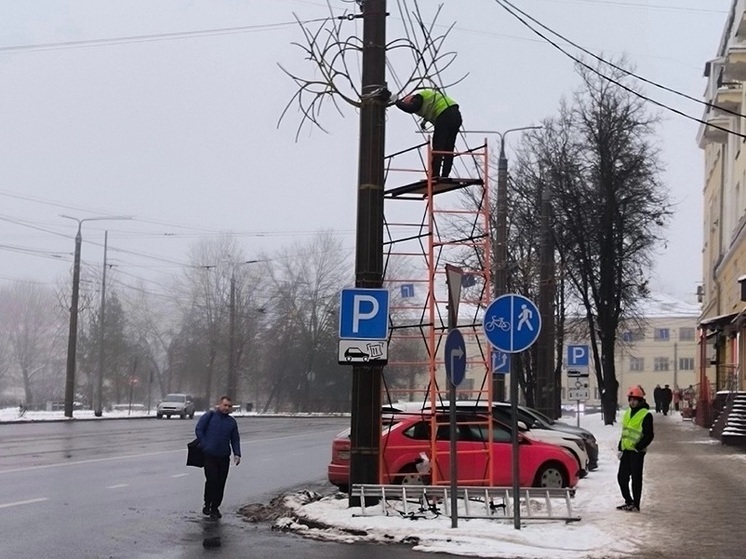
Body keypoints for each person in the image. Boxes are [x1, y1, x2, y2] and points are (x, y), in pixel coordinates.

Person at [386, 88, 462, 179]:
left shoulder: (418, 98)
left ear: (411, 99)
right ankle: (445, 174)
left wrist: (397, 102)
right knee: (448, 148)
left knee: (438, 147)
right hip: (456, 115)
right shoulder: (425, 98)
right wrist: (424, 121)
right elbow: (430, 106)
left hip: (444, 115)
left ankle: (435, 175)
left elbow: (411, 108)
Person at [195, 395, 241, 519]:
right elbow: (199, 429)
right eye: (224, 405)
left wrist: (237, 453)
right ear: (219, 405)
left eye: (229, 406)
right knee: (212, 480)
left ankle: (215, 507)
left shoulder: (231, 422)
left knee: (221, 483)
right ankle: (207, 504)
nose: (226, 408)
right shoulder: (209, 417)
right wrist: (205, 444)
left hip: (224, 457)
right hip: (210, 455)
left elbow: (235, 438)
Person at [616, 386, 654, 513]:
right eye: (630, 399)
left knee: (636, 479)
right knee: (622, 477)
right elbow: (625, 431)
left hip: (637, 452)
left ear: (640, 401)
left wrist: (639, 447)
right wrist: (620, 445)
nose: (632, 402)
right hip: (626, 450)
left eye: (635, 400)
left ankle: (636, 504)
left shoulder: (645, 414)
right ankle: (628, 501)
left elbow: (649, 435)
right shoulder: (627, 413)